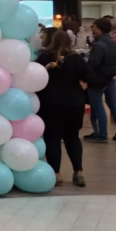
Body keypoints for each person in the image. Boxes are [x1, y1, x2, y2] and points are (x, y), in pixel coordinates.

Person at [36, 31, 91, 187]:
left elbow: (35, 78)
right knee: (72, 137)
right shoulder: (77, 59)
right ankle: (78, 172)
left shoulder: (44, 58)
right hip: (74, 103)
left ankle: (56, 173)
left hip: (50, 103)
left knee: (52, 137)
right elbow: (91, 77)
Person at [85, 18, 116, 142]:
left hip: (98, 79)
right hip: (111, 78)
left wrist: (85, 74)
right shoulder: (115, 44)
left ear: (99, 29)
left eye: (94, 27)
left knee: (97, 106)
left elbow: (93, 63)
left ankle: (101, 134)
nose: (93, 29)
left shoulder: (99, 45)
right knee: (114, 106)